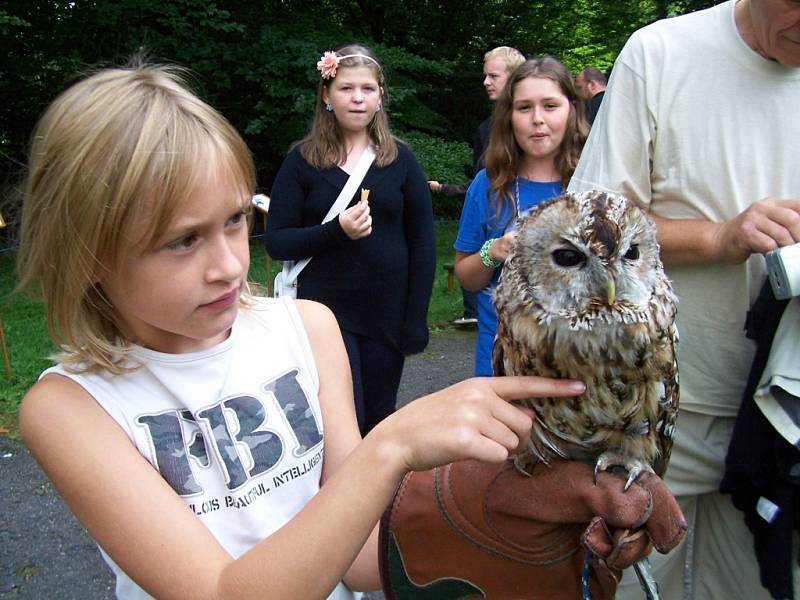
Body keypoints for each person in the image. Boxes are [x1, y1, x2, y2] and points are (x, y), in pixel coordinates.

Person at [16, 61, 678, 600]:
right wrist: (391, 446)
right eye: (182, 241)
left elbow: (360, 555)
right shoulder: (72, 407)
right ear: (89, 253)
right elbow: (223, 592)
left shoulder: (304, 326)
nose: (228, 264)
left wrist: (501, 518)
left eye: (234, 222)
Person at [568, 0, 800, 598]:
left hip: (787, 414)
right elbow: (588, 225)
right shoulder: (662, 53)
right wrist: (719, 237)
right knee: (637, 585)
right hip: (658, 408)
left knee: (763, 586)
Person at [265, 45, 435, 436]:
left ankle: (383, 497)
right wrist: (336, 230)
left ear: (380, 97)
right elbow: (277, 242)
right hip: (324, 317)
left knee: (378, 419)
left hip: (386, 317)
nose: (357, 98)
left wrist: (414, 321)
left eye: (367, 89)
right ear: (326, 96)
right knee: (341, 423)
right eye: (346, 88)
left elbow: (423, 246)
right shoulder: (302, 161)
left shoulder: (401, 161)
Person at [454, 56, 588, 376]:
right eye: (525, 108)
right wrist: (494, 250)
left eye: (550, 106)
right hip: (503, 358)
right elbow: (466, 276)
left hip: (578, 361)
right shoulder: (488, 184)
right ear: (509, 116)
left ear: (572, 110)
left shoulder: (593, 181)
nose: (537, 119)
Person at [429, 46, 525, 327]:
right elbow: (482, 183)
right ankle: (472, 314)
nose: (485, 82)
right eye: (485, 76)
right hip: (492, 245)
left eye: (493, 76)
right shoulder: (486, 130)